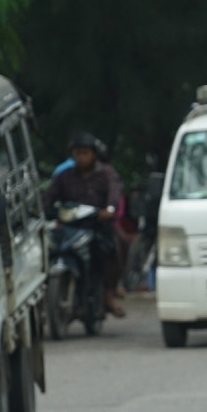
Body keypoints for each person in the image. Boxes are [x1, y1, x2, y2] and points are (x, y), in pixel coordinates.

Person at [44, 132, 127, 318]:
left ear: (94, 154)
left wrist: (109, 210)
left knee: (116, 244)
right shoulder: (64, 176)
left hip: (97, 225)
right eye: (77, 153)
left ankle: (109, 293)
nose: (80, 158)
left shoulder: (106, 174)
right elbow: (48, 197)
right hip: (69, 226)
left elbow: (114, 193)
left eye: (85, 153)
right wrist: (43, 210)